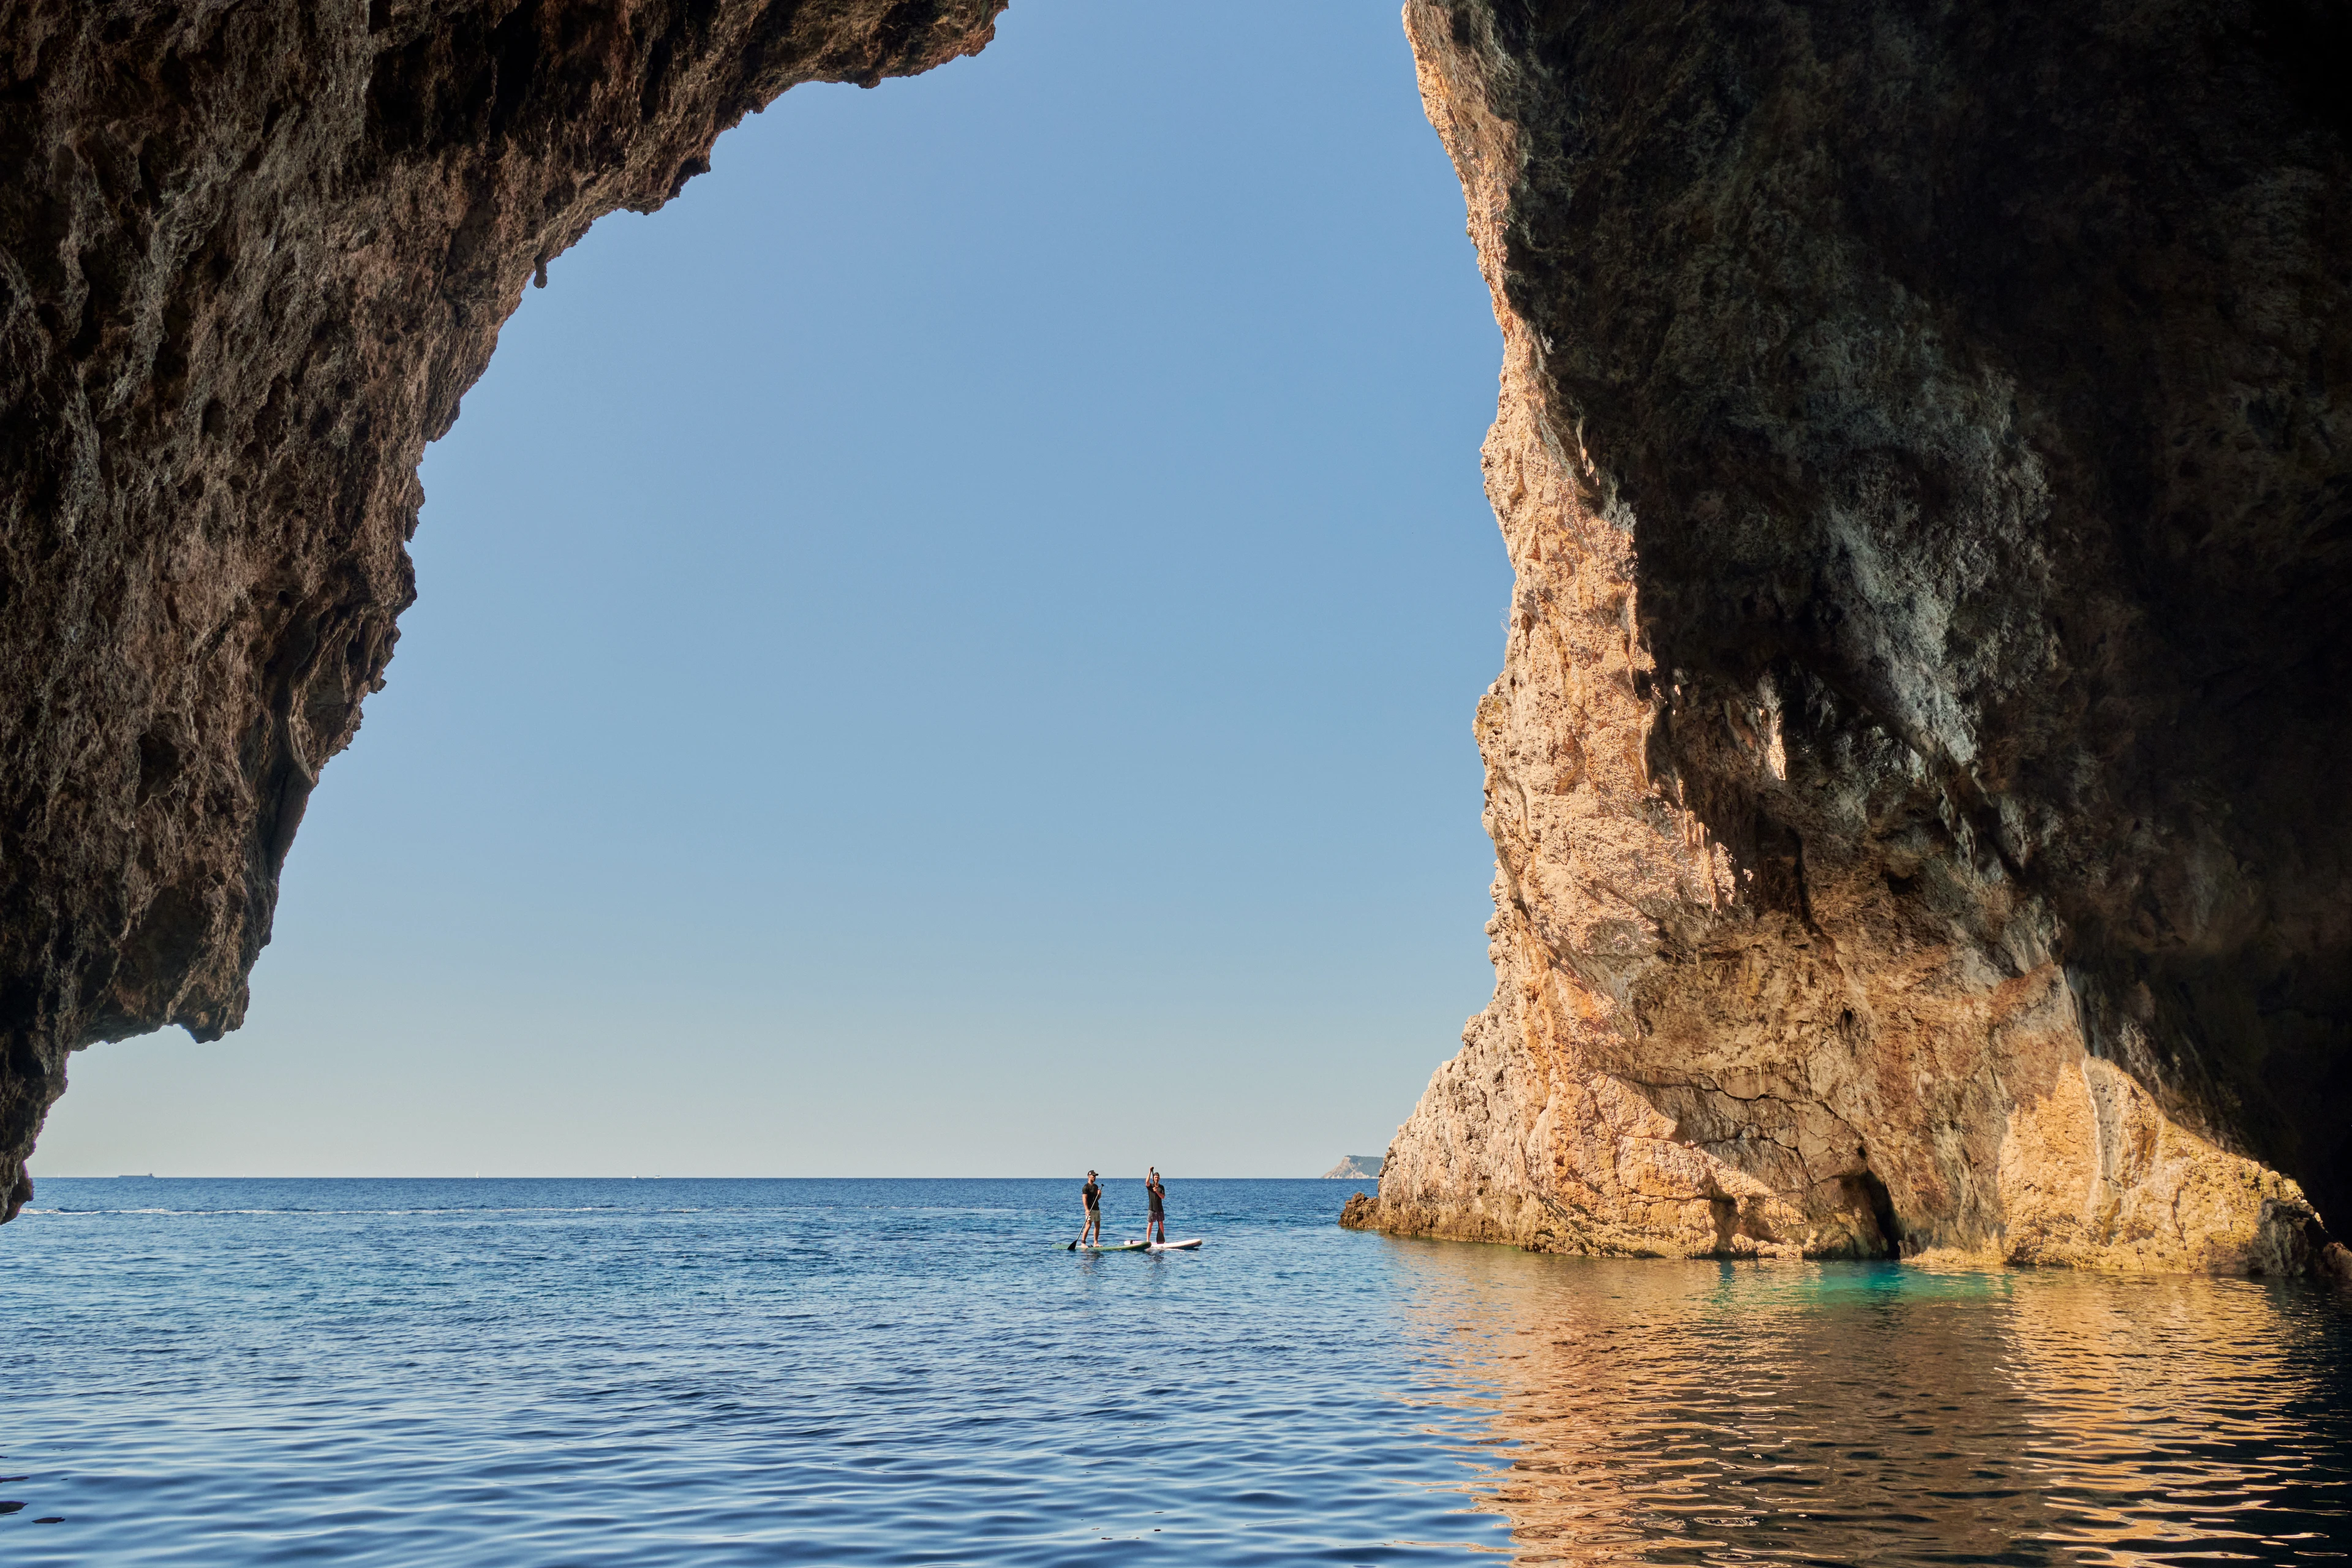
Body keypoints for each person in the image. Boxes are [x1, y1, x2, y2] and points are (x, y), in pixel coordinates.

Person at [1079, 1169, 1103, 1247]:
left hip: (1096, 1208)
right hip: (1090, 1209)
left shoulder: (1096, 1187)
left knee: (1097, 1226)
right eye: (1093, 1176)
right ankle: (1083, 1243)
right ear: (1089, 1176)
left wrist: (1099, 1194)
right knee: (1088, 1225)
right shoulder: (1086, 1187)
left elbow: (1097, 1198)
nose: (1095, 1177)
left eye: (1095, 1176)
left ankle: (1095, 1243)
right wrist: (1086, 1209)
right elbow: (1084, 1199)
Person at [1144, 1167, 1166, 1245]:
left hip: (1160, 1209)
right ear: (1153, 1179)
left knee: (1161, 1223)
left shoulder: (1161, 1187)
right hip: (1152, 1209)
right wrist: (1150, 1171)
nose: (1156, 1179)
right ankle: (1148, 1240)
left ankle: (1163, 1241)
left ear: (1159, 1179)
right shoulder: (1150, 1186)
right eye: (1155, 1178)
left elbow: (1163, 1197)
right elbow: (1146, 1182)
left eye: (1158, 1178)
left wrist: (1157, 1191)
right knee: (1150, 1224)